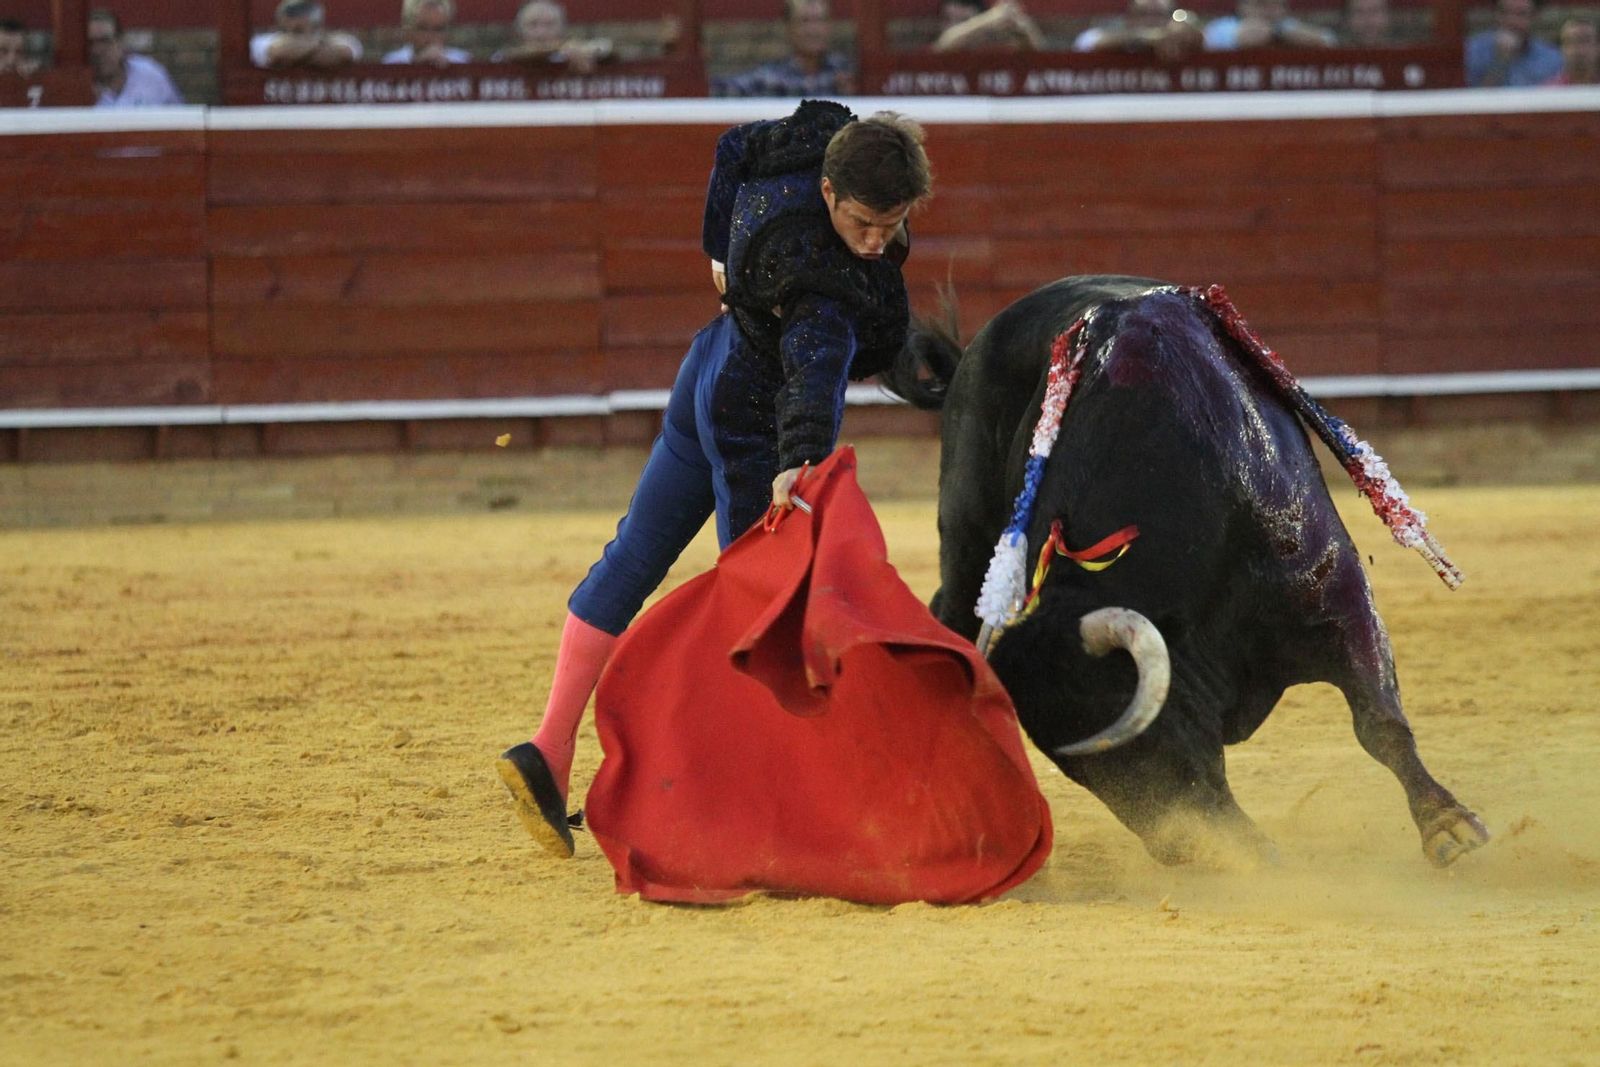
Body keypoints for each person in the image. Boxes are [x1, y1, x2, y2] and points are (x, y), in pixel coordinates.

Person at [497, 101, 935, 858]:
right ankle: (723, 802)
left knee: (634, 557)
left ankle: (548, 749)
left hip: (708, 363)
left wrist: (716, 253)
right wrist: (798, 455)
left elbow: (733, 146)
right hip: (751, 415)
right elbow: (813, 369)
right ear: (829, 194)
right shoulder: (823, 282)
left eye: (890, 224)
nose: (873, 242)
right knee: (757, 612)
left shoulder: (818, 139)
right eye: (862, 221)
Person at [711, 0, 853, 97]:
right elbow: (720, 90)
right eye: (804, 21)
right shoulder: (770, 78)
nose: (813, 30)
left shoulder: (843, 72)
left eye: (820, 20)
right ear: (788, 27)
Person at [88, 9, 184, 107]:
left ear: (120, 43)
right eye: (90, 43)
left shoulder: (151, 76)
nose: (97, 50)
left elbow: (180, 118)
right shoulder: (77, 91)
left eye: (105, 41)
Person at [493, 1, 612, 72]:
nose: (541, 32)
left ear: (562, 28)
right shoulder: (502, 58)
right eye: (533, 24)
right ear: (520, 29)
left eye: (549, 24)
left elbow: (605, 46)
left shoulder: (566, 54)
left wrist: (587, 50)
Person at [1464, 0, 1561, 86]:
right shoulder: (1472, 52)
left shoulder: (1552, 60)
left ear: (1534, 18)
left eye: (1521, 14)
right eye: (1504, 12)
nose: (1511, 21)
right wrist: (1500, 62)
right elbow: (1471, 101)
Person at [250, 0, 362, 70]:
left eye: (299, 28)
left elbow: (345, 53)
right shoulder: (263, 40)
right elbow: (279, 52)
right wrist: (320, 45)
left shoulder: (342, 39)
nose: (291, 27)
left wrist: (298, 53)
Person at [1072, 0, 1203, 59]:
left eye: (1158, 14)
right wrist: (1147, 38)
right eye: (1143, 13)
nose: (1151, 20)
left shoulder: (1180, 38)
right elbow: (1086, 42)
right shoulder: (1117, 37)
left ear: (1169, 17)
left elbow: (1208, 41)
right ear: (1130, 17)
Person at [1203, 0, 1336, 49]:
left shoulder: (1290, 25)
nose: (1268, 11)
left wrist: (1284, 33)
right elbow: (1213, 39)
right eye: (1260, 4)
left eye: (1275, 5)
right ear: (1242, 6)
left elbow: (1329, 40)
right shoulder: (1223, 26)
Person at [933, 0, 1047, 52]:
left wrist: (1020, 25)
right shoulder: (925, 59)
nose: (955, 27)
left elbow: (1039, 56)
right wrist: (991, 17)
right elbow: (944, 43)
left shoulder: (995, 51)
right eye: (948, 19)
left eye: (964, 21)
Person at [383, 0, 472, 65]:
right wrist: (416, 66)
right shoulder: (392, 62)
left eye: (439, 29)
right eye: (423, 28)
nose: (430, 36)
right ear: (408, 29)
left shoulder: (462, 61)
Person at [1543, 16, 1597, 84]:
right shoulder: (1548, 91)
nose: (1578, 49)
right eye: (1571, 42)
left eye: (1585, 41)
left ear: (1597, 46)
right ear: (1561, 48)